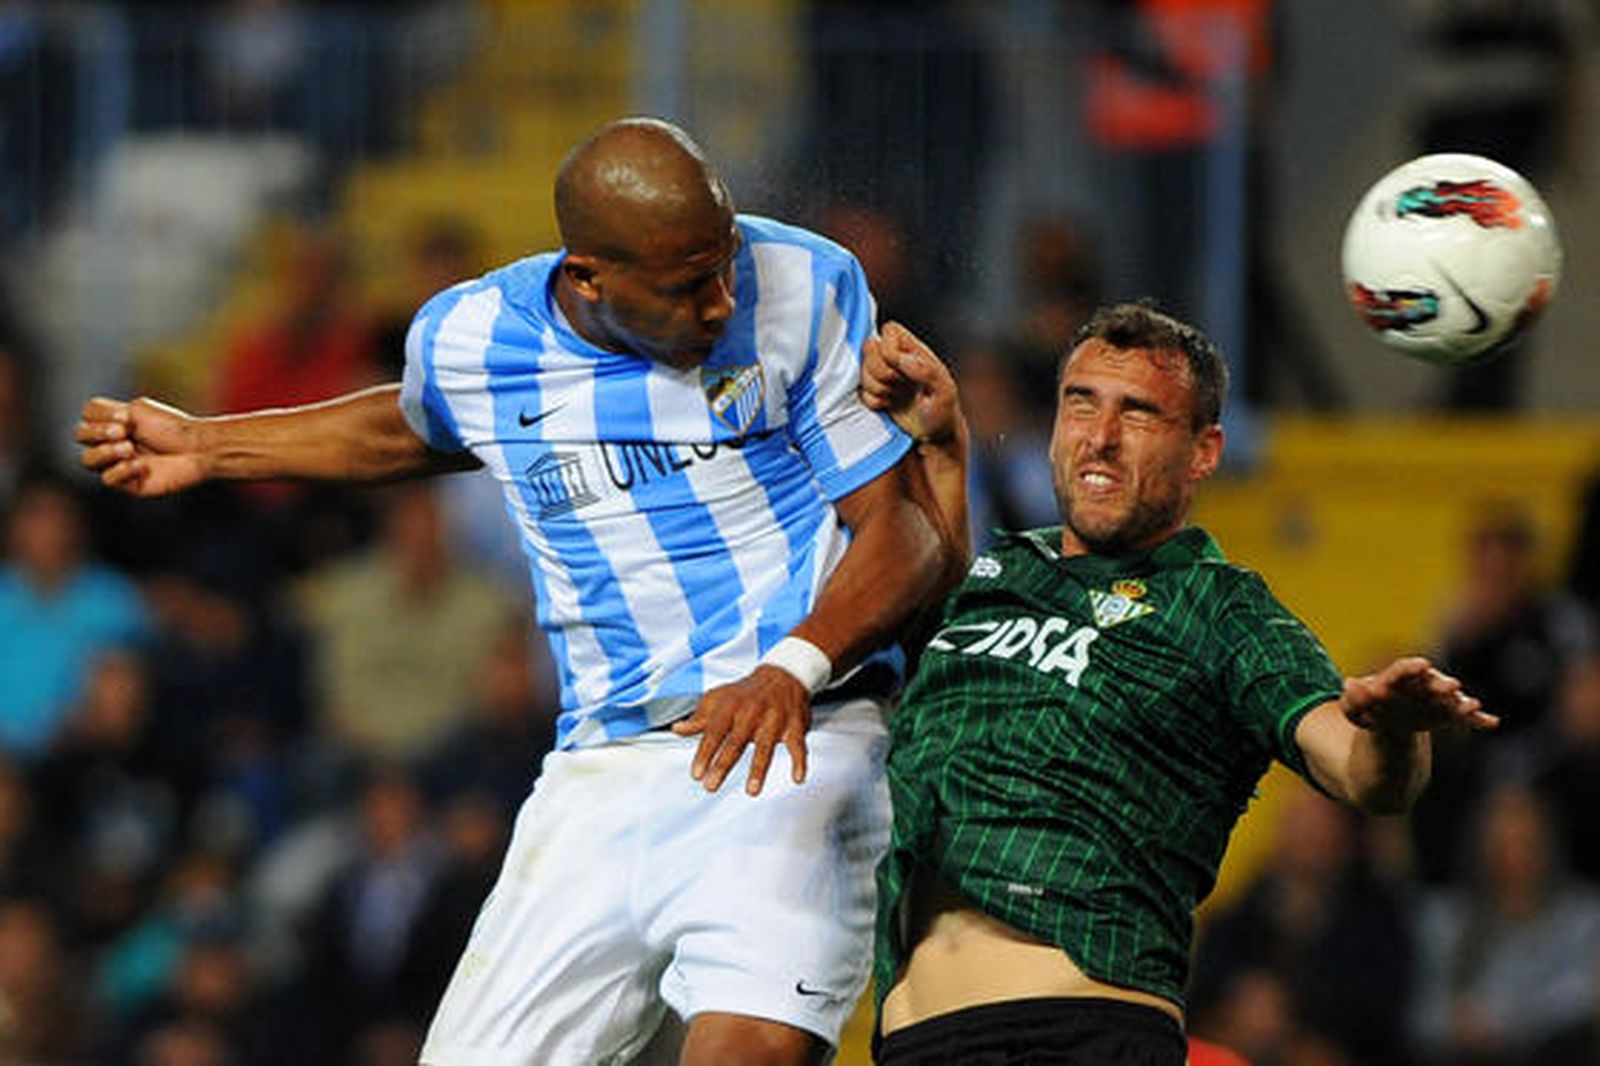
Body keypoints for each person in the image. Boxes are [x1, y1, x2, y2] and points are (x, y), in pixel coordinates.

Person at [77, 116, 959, 1064]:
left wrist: (793, 664)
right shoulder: (473, 337)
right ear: (587, 276)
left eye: (726, 263)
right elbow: (416, 428)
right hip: (599, 773)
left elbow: (903, 530)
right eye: (686, 286)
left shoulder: (803, 286)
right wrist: (212, 446)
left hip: (793, 743)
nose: (721, 301)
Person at [856, 301, 1495, 1064]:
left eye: (1140, 414)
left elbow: (1365, 775)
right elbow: (915, 592)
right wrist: (942, 439)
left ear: (1203, 451)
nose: (1100, 437)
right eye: (1080, 402)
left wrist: (1394, 729)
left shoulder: (1219, 606)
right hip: (913, 1042)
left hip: (1080, 1038)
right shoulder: (997, 574)